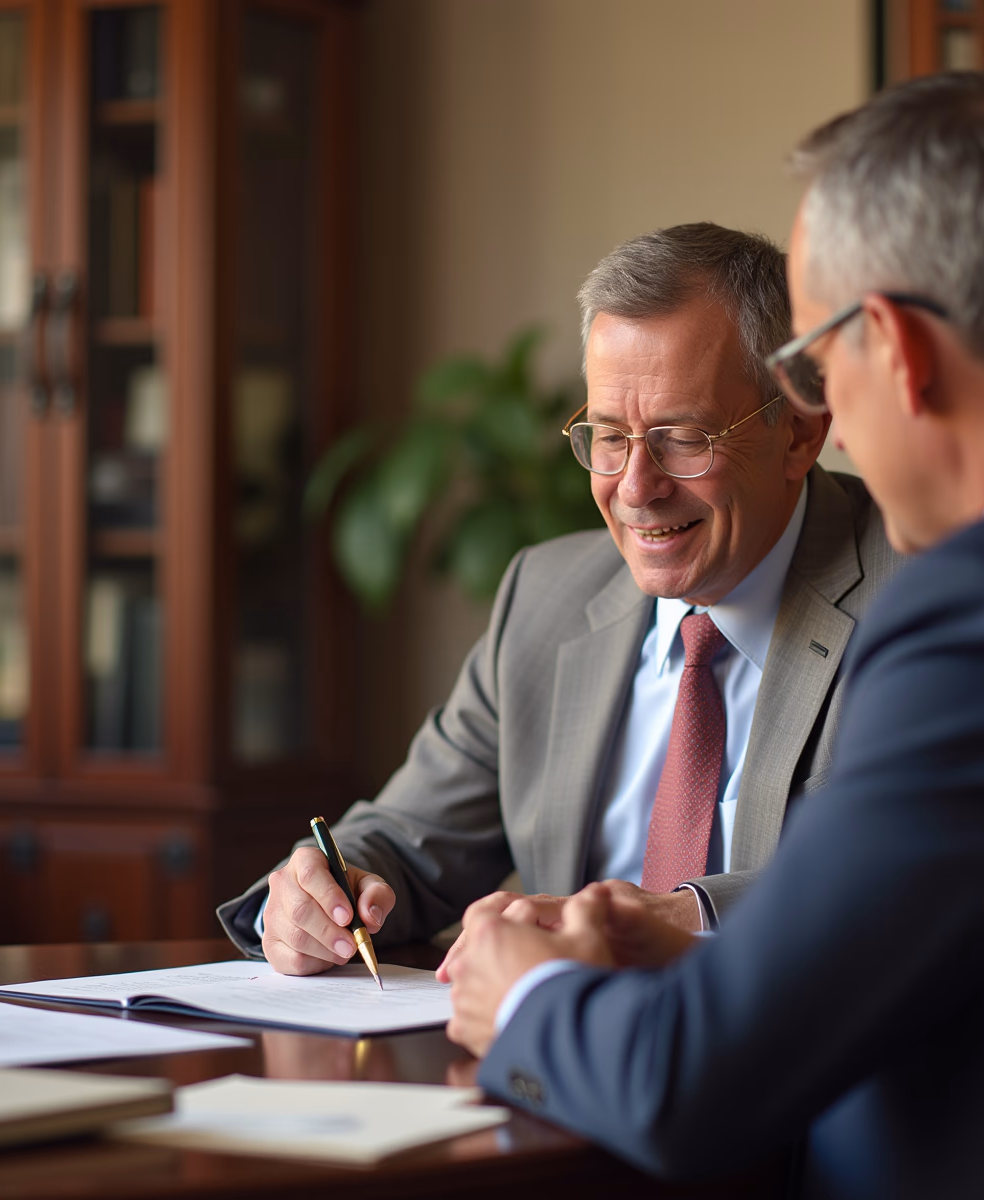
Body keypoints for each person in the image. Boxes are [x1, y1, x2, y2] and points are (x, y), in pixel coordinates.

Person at [445, 74, 984, 1199]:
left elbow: (690, 1083)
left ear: (896, 347)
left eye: (815, 361)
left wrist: (524, 993)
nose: (824, 413)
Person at [218, 224, 900, 976]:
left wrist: (683, 916)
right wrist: (320, 892)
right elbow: (408, 838)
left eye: (683, 437)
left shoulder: (916, 591)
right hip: (552, 1072)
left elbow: (910, 871)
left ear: (800, 435)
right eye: (609, 437)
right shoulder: (544, 597)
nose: (636, 488)